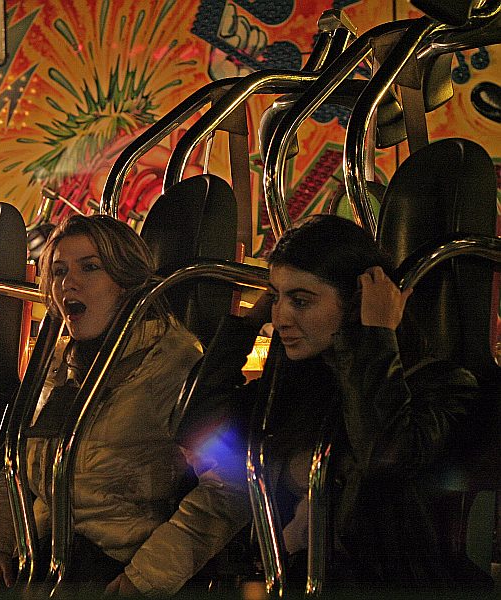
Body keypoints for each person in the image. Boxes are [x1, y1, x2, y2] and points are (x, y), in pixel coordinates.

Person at [176, 214, 486, 589]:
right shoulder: (299, 388)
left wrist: (374, 336)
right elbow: (198, 431)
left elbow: (384, 459)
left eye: (301, 301)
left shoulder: (441, 384)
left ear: (357, 304)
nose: (282, 318)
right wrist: (241, 329)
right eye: (277, 298)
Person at [0, 214, 227, 596]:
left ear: (126, 281)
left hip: (123, 567)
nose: (68, 283)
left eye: (90, 267)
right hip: (45, 559)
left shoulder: (175, 361)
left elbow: (231, 485)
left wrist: (146, 578)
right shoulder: (56, 363)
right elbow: (19, 472)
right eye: (58, 272)